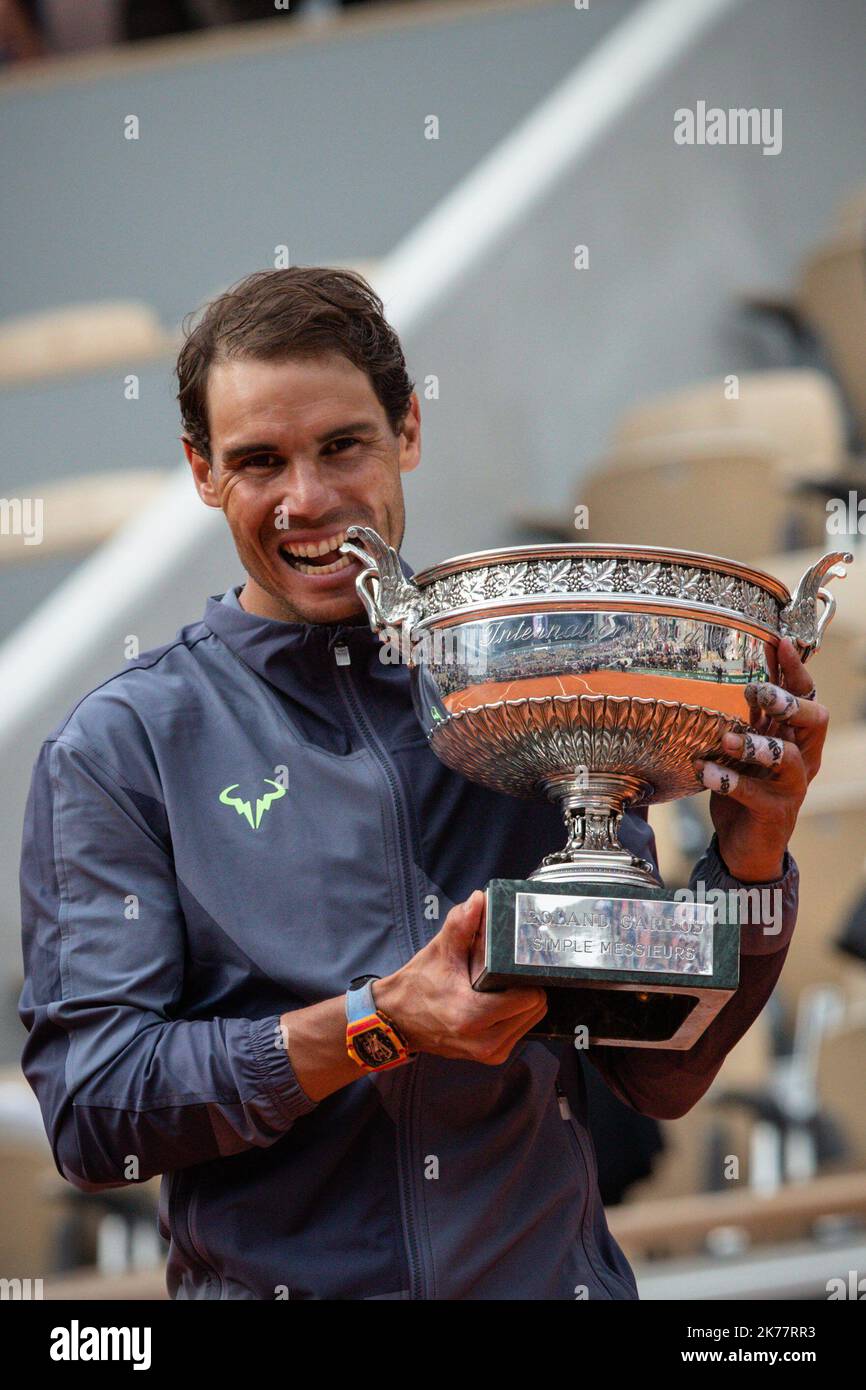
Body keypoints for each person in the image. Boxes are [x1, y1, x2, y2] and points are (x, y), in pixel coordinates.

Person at [18, 267, 826, 1300]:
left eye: (341, 445)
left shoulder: (539, 682)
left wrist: (747, 865)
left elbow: (655, 1071)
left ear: (407, 429)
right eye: (259, 460)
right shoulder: (121, 748)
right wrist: (374, 1022)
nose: (306, 499)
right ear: (201, 470)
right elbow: (96, 1113)